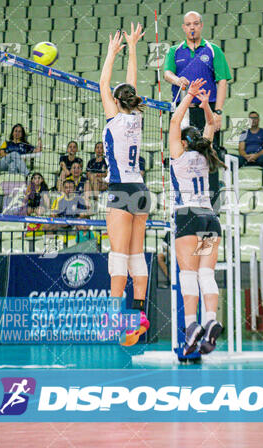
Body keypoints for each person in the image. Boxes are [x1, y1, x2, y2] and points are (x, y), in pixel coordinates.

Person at [100, 24, 150, 347]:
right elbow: (129, 84)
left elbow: (104, 82)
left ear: (117, 102)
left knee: (118, 256)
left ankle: (114, 318)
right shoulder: (137, 118)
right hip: (141, 191)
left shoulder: (115, 118)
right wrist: (132, 47)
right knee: (137, 255)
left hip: (119, 188)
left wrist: (111, 52)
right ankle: (140, 314)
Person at [169, 77, 225, 356]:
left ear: (182, 141)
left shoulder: (178, 154)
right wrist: (205, 106)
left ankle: (192, 326)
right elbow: (212, 125)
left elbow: (173, 122)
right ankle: (211, 319)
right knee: (206, 273)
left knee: (188, 274)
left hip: (188, 216)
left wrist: (188, 98)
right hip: (210, 219)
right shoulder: (205, 154)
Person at [164, 11, 231, 211]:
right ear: (183, 27)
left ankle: (212, 210)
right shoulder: (174, 51)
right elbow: (167, 73)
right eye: (188, 24)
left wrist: (217, 111)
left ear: (201, 25)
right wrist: (177, 80)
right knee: (180, 155)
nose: (192, 27)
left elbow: (222, 81)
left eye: (195, 23)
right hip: (183, 111)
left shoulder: (213, 50)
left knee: (207, 155)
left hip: (205, 110)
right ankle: (181, 205)